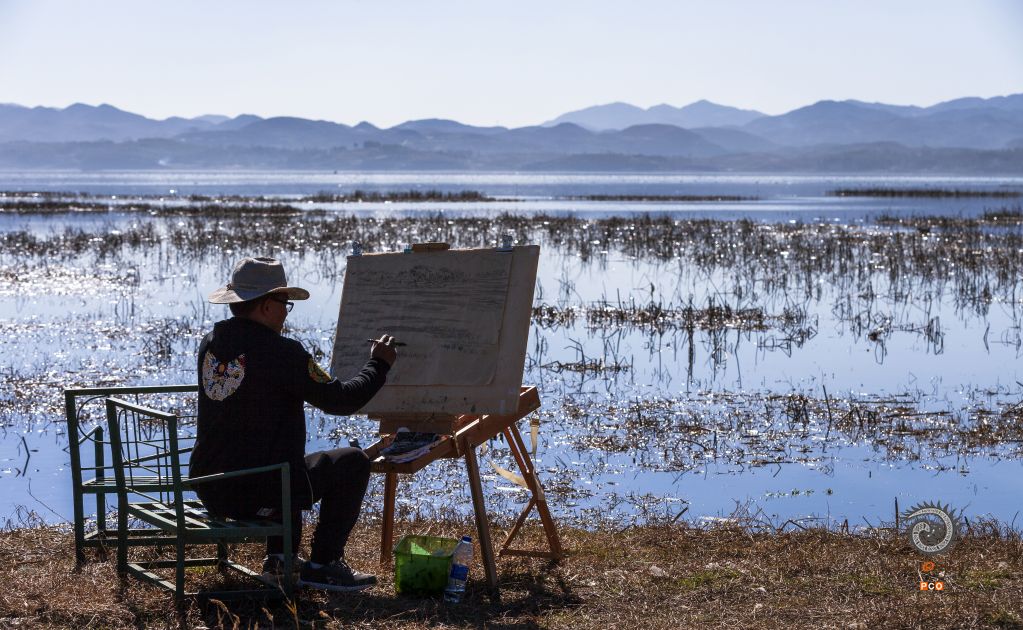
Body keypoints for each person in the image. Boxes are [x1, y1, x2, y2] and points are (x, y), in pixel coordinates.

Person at [189, 256, 397, 591]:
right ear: (266, 306)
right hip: (257, 491)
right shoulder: (281, 352)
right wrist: (378, 365)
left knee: (283, 460)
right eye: (285, 304)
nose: (287, 313)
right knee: (353, 462)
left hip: (211, 485)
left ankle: (281, 559)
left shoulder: (211, 342)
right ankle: (324, 564)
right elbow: (341, 400)